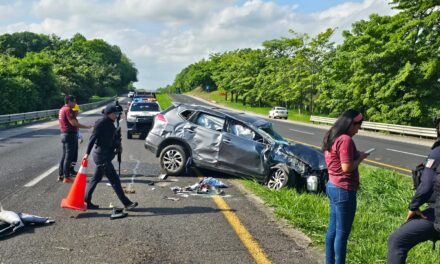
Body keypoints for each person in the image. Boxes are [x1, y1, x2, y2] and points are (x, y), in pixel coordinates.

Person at [387, 116, 440, 264]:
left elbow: (427, 184)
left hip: (436, 213)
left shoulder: (437, 152)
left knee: (397, 241)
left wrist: (414, 206)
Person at [322, 109, 369, 264]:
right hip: (344, 189)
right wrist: (361, 157)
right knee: (342, 234)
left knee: (332, 231)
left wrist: (356, 155)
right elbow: (347, 168)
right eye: (358, 125)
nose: (358, 129)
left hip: (332, 185)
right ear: (350, 124)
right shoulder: (346, 140)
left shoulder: (332, 136)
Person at [82, 104, 138, 210]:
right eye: (114, 114)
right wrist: (87, 153)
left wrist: (118, 146)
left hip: (105, 155)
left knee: (95, 179)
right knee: (115, 180)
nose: (116, 116)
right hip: (101, 156)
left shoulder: (110, 123)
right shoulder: (101, 123)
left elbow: (112, 138)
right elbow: (92, 138)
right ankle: (127, 204)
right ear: (108, 114)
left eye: (117, 114)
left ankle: (86, 201)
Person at [58, 95, 92, 183]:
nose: (75, 103)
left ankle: (62, 174)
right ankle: (66, 176)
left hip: (64, 134)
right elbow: (74, 123)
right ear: (69, 101)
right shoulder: (68, 109)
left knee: (65, 156)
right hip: (69, 135)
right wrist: (87, 127)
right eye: (74, 101)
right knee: (68, 157)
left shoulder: (62, 109)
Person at [70, 104, 84, 176]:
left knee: (75, 156)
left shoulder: (75, 119)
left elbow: (77, 130)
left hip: (75, 139)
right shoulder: (72, 119)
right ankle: (69, 171)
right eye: (77, 111)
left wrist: (80, 137)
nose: (78, 112)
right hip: (71, 139)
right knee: (71, 155)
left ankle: (71, 170)